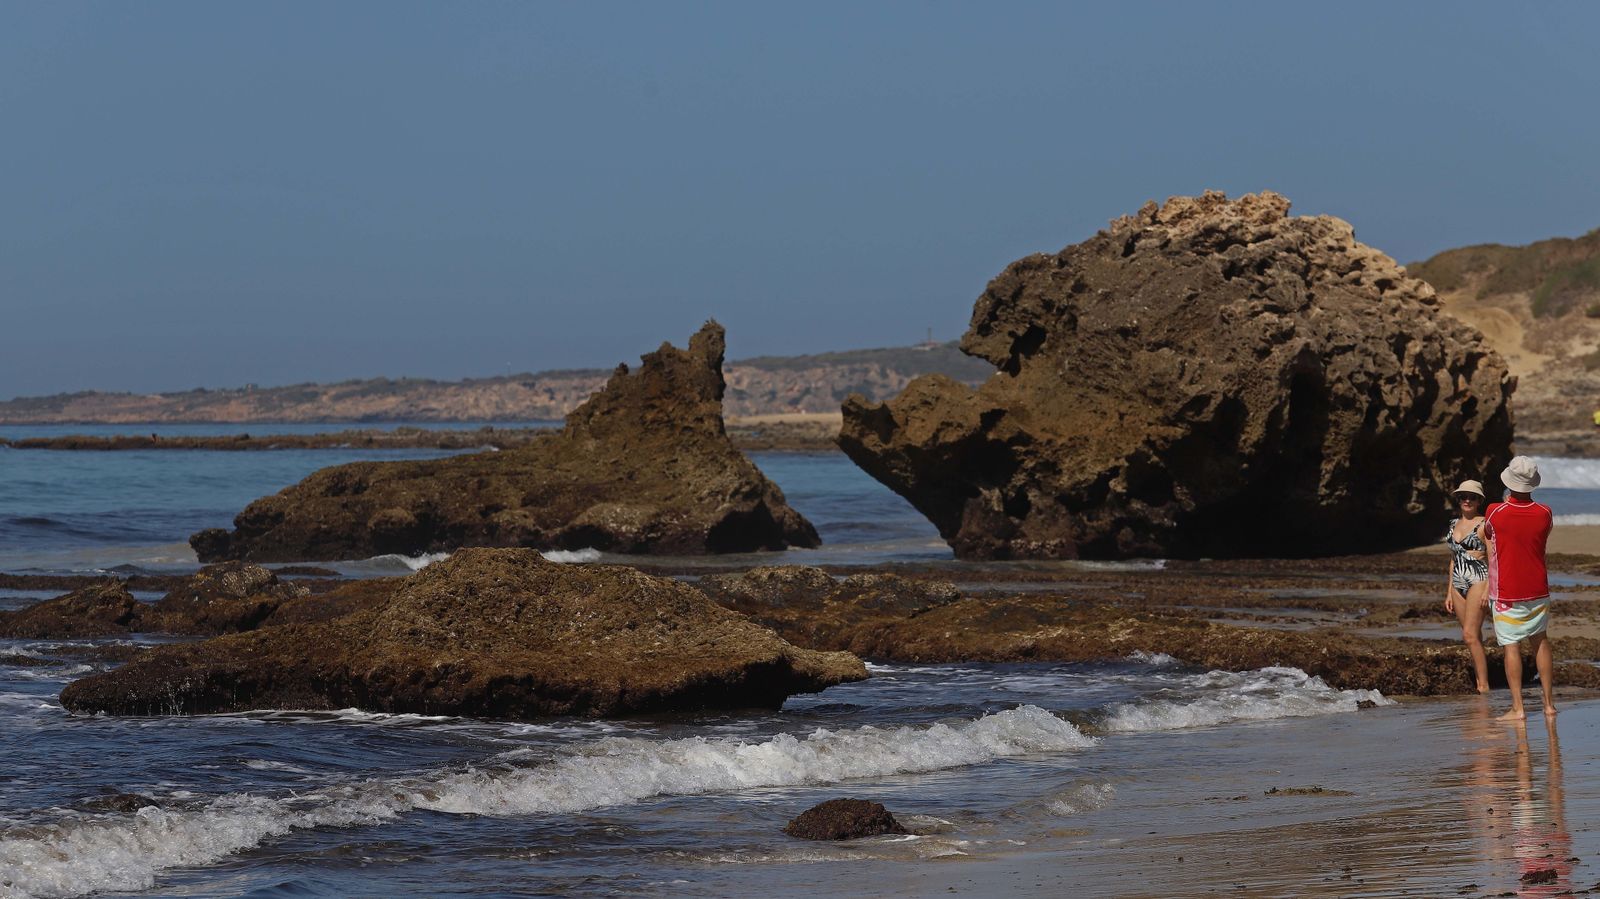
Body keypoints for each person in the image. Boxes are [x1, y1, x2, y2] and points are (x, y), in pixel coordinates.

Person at [1483, 456, 1556, 720]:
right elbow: (1540, 538)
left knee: (1511, 646)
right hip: (1538, 587)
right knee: (1541, 641)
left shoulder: (1494, 511)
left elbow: (1488, 534)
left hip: (1507, 591)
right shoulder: (1545, 512)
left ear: (1509, 482)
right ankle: (1548, 705)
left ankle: (1518, 708)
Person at [1443, 480, 1491, 693]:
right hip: (1457, 582)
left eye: (1472, 497)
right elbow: (1453, 558)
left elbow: (1494, 558)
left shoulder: (1485, 524)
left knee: (1469, 635)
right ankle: (1481, 678)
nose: (1467, 500)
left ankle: (1483, 686)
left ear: (1479, 500)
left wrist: (1490, 587)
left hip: (1478, 580)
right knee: (1473, 635)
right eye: (1463, 496)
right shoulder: (1453, 524)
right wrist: (1448, 592)